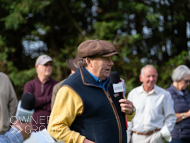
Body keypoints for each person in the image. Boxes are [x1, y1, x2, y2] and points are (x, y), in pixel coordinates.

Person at [48, 39, 135, 143]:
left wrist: (131, 111)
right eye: (106, 59)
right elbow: (55, 128)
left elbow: (119, 118)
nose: (111, 63)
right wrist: (83, 141)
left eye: (111, 58)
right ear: (89, 61)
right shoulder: (71, 88)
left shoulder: (114, 82)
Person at [127, 65, 176, 143]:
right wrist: (127, 137)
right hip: (136, 138)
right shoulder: (133, 94)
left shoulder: (164, 95)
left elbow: (171, 117)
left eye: (154, 76)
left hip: (156, 137)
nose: (151, 79)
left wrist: (162, 134)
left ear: (157, 77)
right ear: (141, 78)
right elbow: (128, 118)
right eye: (148, 76)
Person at [23, 55, 58, 131]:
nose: (48, 67)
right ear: (37, 67)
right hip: (32, 130)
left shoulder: (56, 85)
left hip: (51, 130)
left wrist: (36, 103)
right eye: (45, 64)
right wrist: (49, 99)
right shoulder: (29, 85)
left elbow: (56, 107)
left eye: (50, 65)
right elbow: (27, 105)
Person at [166, 65, 190, 143]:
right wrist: (186, 114)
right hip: (176, 137)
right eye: (186, 81)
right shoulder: (168, 94)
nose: (188, 84)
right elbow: (168, 117)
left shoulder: (186, 93)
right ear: (178, 78)